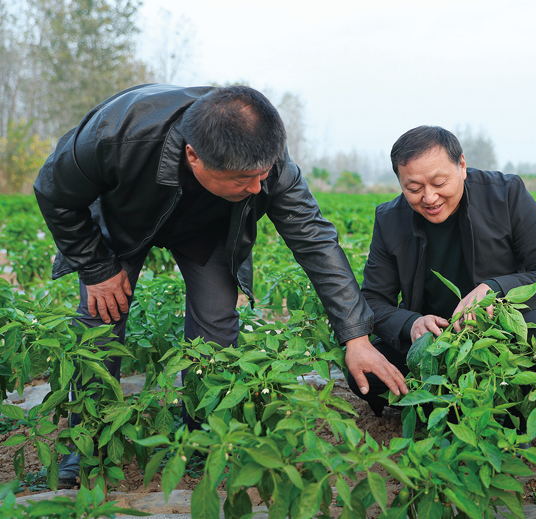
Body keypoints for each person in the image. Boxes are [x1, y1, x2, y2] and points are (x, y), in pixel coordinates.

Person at [34, 84, 407, 486]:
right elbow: (54, 192)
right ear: (193, 156)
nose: (257, 189)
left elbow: (314, 238)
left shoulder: (267, 162)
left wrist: (356, 337)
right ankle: (87, 443)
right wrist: (95, 267)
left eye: (263, 176)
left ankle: (201, 437)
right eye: (244, 179)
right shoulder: (117, 135)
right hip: (124, 215)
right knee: (100, 321)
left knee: (216, 323)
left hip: (210, 229)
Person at [348, 125, 536, 415]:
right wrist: (411, 323)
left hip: (498, 335)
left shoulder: (506, 194)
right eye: (414, 188)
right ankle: (454, 402)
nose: (429, 198)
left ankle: (491, 401)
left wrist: (494, 289)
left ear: (462, 166)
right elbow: (372, 301)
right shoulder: (390, 219)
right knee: (364, 369)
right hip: (434, 342)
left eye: (439, 182)